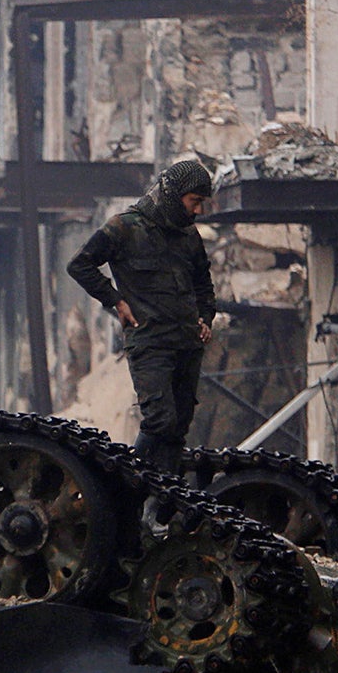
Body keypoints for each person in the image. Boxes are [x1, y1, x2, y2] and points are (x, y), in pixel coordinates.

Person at [66, 158, 217, 475]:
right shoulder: (124, 227)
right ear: (176, 196)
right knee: (159, 420)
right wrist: (115, 300)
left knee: (178, 428)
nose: (198, 211)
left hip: (187, 342)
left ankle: (162, 506)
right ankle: (130, 485)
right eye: (195, 202)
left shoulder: (189, 236)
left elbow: (204, 284)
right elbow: (80, 264)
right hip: (150, 342)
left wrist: (206, 317)